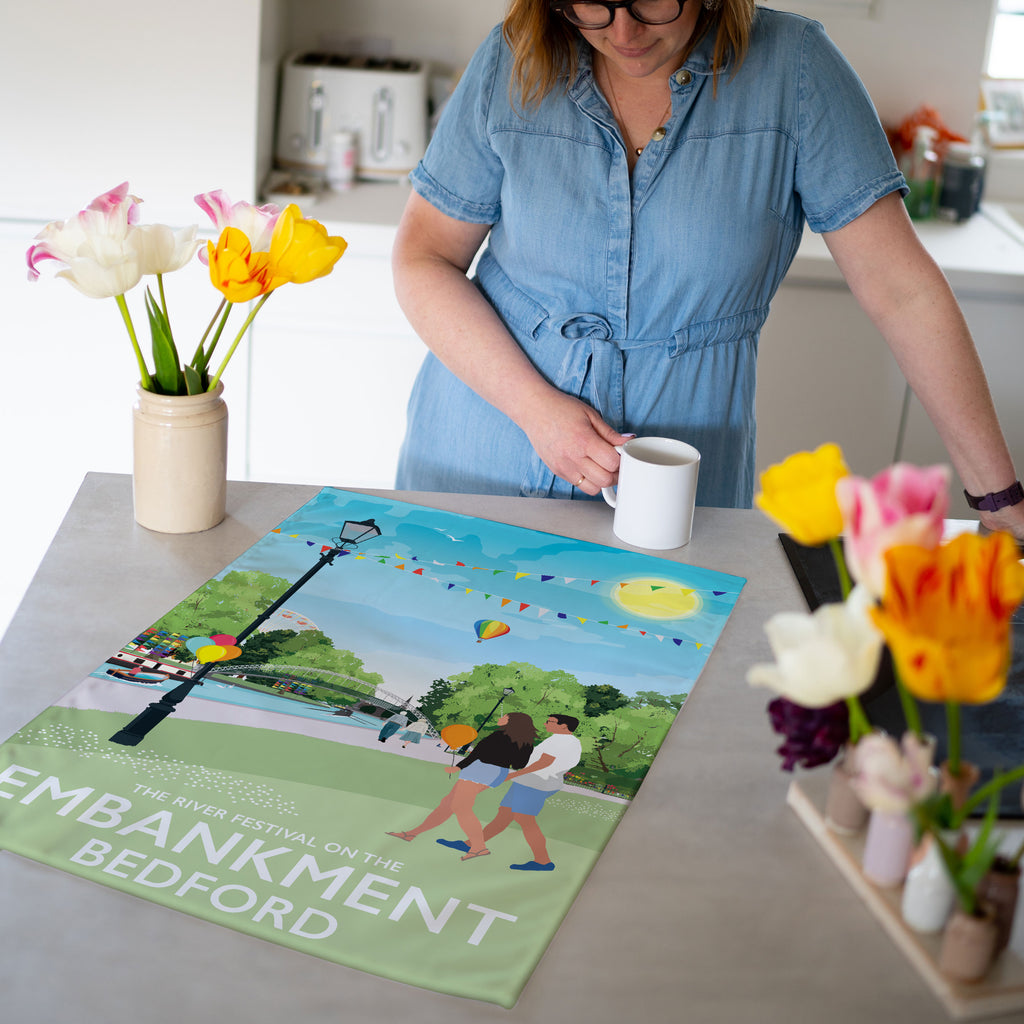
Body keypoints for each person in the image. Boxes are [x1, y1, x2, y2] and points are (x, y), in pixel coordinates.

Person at [392, 0, 1024, 540]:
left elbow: (904, 292)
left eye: (652, 2)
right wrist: (534, 410)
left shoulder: (795, 70)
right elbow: (424, 257)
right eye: (592, 3)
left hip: (679, 495)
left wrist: (999, 500)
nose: (624, 33)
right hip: (480, 455)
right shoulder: (514, 57)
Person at [438, 714, 583, 871]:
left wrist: (513, 775)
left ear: (564, 726)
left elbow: (543, 763)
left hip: (536, 783)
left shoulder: (562, 741)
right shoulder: (561, 739)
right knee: (504, 815)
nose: (545, 723)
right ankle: (472, 844)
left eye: (550, 721)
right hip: (529, 782)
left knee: (525, 819)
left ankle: (543, 860)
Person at [386, 711, 537, 859]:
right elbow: (519, 764)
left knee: (461, 807)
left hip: (479, 770)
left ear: (511, 721)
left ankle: (479, 847)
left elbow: (477, 754)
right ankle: (412, 834)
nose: (501, 717)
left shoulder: (497, 736)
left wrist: (459, 767)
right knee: (447, 804)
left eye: (505, 716)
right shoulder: (526, 743)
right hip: (495, 773)